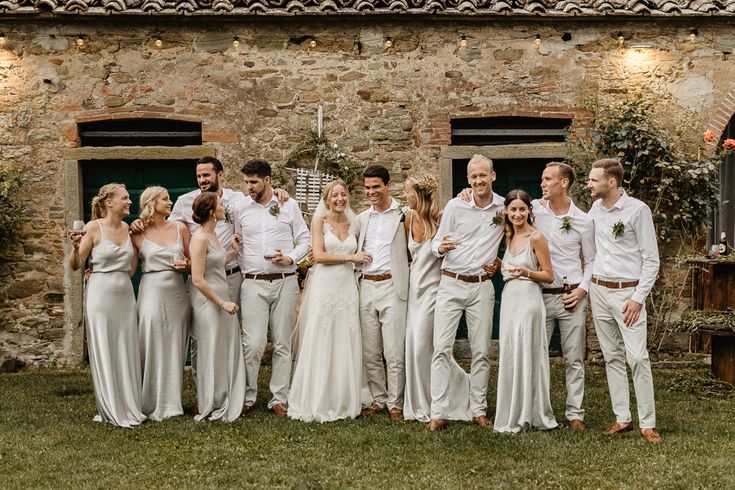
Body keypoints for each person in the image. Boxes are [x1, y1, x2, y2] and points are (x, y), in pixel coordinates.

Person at [587, 158, 662, 444]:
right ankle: (622, 419)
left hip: (627, 294)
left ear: (611, 182)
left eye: (594, 180)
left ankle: (648, 423)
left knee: (638, 358)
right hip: (600, 291)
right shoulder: (595, 209)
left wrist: (637, 298)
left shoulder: (637, 210)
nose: (589, 184)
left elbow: (651, 261)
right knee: (612, 358)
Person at [427, 154, 504, 431]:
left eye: (483, 175)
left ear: (492, 176)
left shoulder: (504, 209)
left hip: (482, 286)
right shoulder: (455, 206)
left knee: (481, 350)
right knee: (441, 349)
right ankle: (438, 411)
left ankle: (478, 409)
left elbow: (522, 236)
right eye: (473, 177)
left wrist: (501, 262)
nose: (478, 181)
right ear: (467, 179)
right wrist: (441, 248)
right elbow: (435, 244)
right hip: (451, 282)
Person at [288, 180, 371, 422]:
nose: (339, 199)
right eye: (334, 195)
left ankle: (344, 398)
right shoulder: (319, 221)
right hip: (325, 286)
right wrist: (352, 257)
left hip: (347, 287)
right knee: (323, 337)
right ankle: (318, 399)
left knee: (346, 336)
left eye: (343, 195)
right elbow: (320, 256)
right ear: (326, 199)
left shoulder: (355, 224)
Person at [67, 183, 146, 428]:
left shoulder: (127, 228)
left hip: (124, 292)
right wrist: (74, 247)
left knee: (126, 346)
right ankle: (111, 407)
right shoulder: (93, 227)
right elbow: (75, 264)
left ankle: (130, 405)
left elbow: (131, 268)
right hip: (100, 295)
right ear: (109, 202)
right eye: (124, 198)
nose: (129, 201)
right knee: (105, 347)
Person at [237, 159, 310, 417]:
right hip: (253, 283)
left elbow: (305, 240)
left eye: (254, 182)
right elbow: (238, 243)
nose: (249, 187)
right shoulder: (240, 208)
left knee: (282, 343)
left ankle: (279, 398)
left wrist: (290, 258)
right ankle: (247, 396)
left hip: (285, 282)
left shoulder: (289, 206)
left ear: (268, 180)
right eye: (246, 182)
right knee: (253, 343)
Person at [402, 175, 472, 423]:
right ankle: (422, 401)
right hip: (414, 291)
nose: (404, 195)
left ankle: (459, 390)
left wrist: (466, 192)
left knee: (426, 346)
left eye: (407, 191)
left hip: (436, 290)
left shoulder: (442, 217)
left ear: (419, 194)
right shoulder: (407, 219)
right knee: (415, 347)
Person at [534, 162, 595, 431]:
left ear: (564, 182)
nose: (543, 184)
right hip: (540, 296)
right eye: (542, 179)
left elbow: (592, 260)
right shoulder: (534, 210)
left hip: (572, 297)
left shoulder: (583, 220)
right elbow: (504, 205)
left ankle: (575, 415)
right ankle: (539, 411)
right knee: (538, 357)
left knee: (574, 359)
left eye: (548, 179)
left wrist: (582, 290)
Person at [494, 189, 558, 433]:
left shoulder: (536, 237)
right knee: (511, 353)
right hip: (510, 299)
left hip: (529, 300)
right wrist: (501, 266)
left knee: (527, 353)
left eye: (522, 209)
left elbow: (549, 275)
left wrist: (526, 272)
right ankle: (513, 410)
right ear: (506, 212)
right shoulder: (508, 236)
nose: (517, 214)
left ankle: (531, 412)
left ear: (530, 211)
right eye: (513, 210)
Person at [132, 186, 192, 421]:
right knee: (150, 342)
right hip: (151, 292)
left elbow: (192, 262)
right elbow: (129, 266)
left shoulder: (180, 227)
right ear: (152, 203)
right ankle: (147, 402)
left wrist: (185, 265)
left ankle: (172, 403)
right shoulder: (136, 232)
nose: (170, 202)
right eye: (165, 199)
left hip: (177, 293)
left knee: (175, 346)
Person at [356, 165, 410, 421]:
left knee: (393, 350)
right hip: (366, 284)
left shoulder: (404, 214)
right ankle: (378, 398)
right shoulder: (361, 218)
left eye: (376, 186)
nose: (371, 192)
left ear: (388, 185)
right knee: (370, 350)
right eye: (367, 188)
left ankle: (396, 402)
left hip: (392, 285)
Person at [189, 191, 246, 422]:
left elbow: (216, 265)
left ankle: (225, 396)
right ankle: (211, 401)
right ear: (212, 211)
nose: (224, 207)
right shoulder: (200, 238)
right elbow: (198, 278)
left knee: (224, 347)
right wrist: (221, 302)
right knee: (211, 349)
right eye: (221, 204)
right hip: (209, 301)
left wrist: (232, 251)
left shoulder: (212, 236)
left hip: (223, 297)